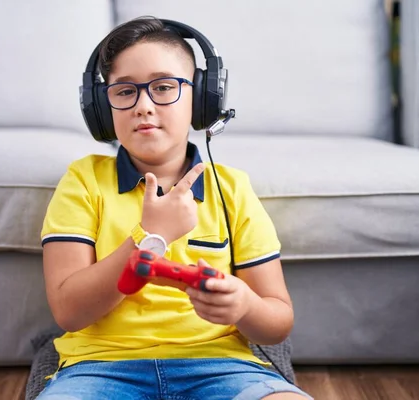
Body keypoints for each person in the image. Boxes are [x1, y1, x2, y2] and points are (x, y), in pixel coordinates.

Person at [37, 16, 312, 400]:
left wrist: (245, 304)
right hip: (100, 370)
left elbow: (277, 323)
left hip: (223, 367)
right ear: (103, 106)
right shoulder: (83, 180)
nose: (144, 106)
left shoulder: (232, 189)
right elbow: (68, 311)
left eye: (164, 87)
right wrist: (150, 238)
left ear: (202, 99)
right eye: (124, 91)